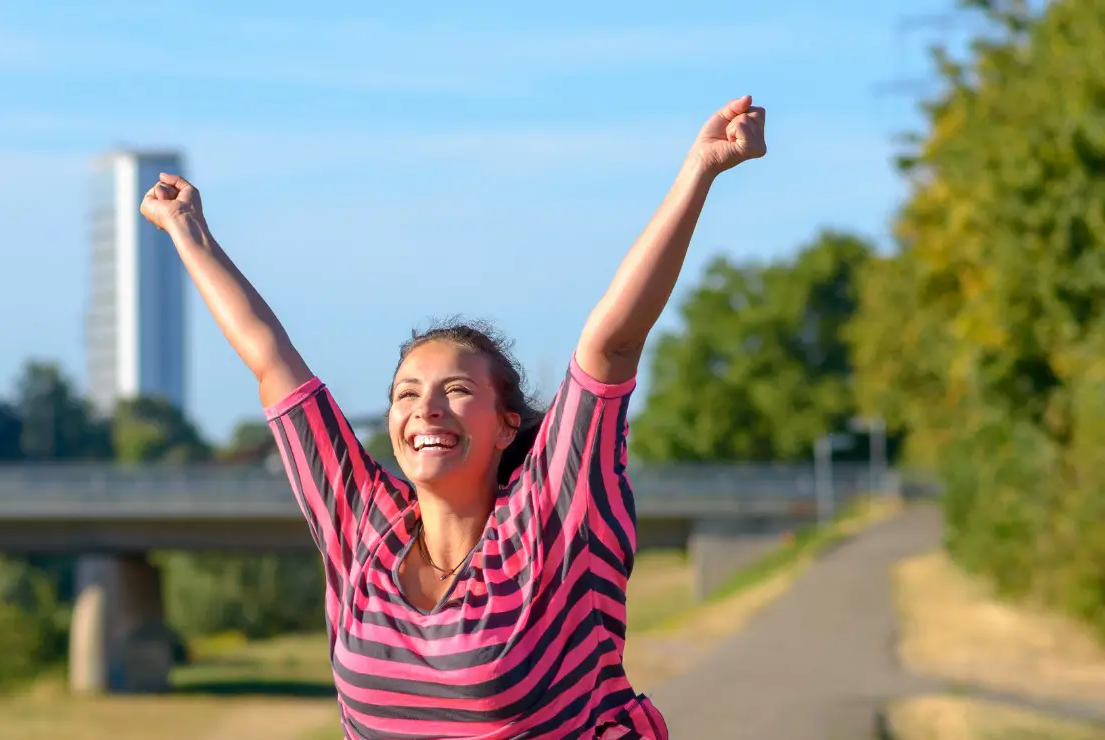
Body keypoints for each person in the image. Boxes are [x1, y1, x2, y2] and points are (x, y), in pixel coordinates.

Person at [139, 96, 767, 738]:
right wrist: (188, 230)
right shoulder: (364, 529)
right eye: (407, 394)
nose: (426, 408)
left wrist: (701, 168)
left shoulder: (553, 518)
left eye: (456, 389)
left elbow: (611, 345)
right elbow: (271, 359)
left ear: (506, 424)